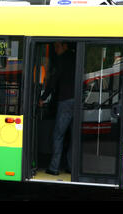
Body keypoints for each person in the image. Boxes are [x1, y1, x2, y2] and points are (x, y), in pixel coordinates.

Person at [39, 42, 76, 176]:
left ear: (65, 46)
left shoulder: (62, 60)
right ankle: (72, 167)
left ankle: (54, 167)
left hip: (65, 101)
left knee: (58, 135)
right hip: (77, 101)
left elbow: (53, 81)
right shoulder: (75, 58)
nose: (55, 50)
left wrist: (43, 98)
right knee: (73, 136)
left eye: (57, 47)